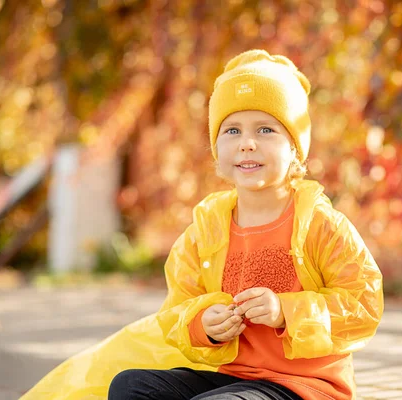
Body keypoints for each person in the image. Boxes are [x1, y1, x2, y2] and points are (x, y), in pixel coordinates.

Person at [106, 49, 384, 400]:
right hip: (235, 380)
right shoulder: (206, 230)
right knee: (130, 386)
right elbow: (177, 309)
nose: (247, 144)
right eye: (232, 130)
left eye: (266, 129)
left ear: (295, 149)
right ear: (216, 149)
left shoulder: (320, 224)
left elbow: (364, 304)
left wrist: (286, 310)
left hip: (305, 387)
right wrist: (203, 324)